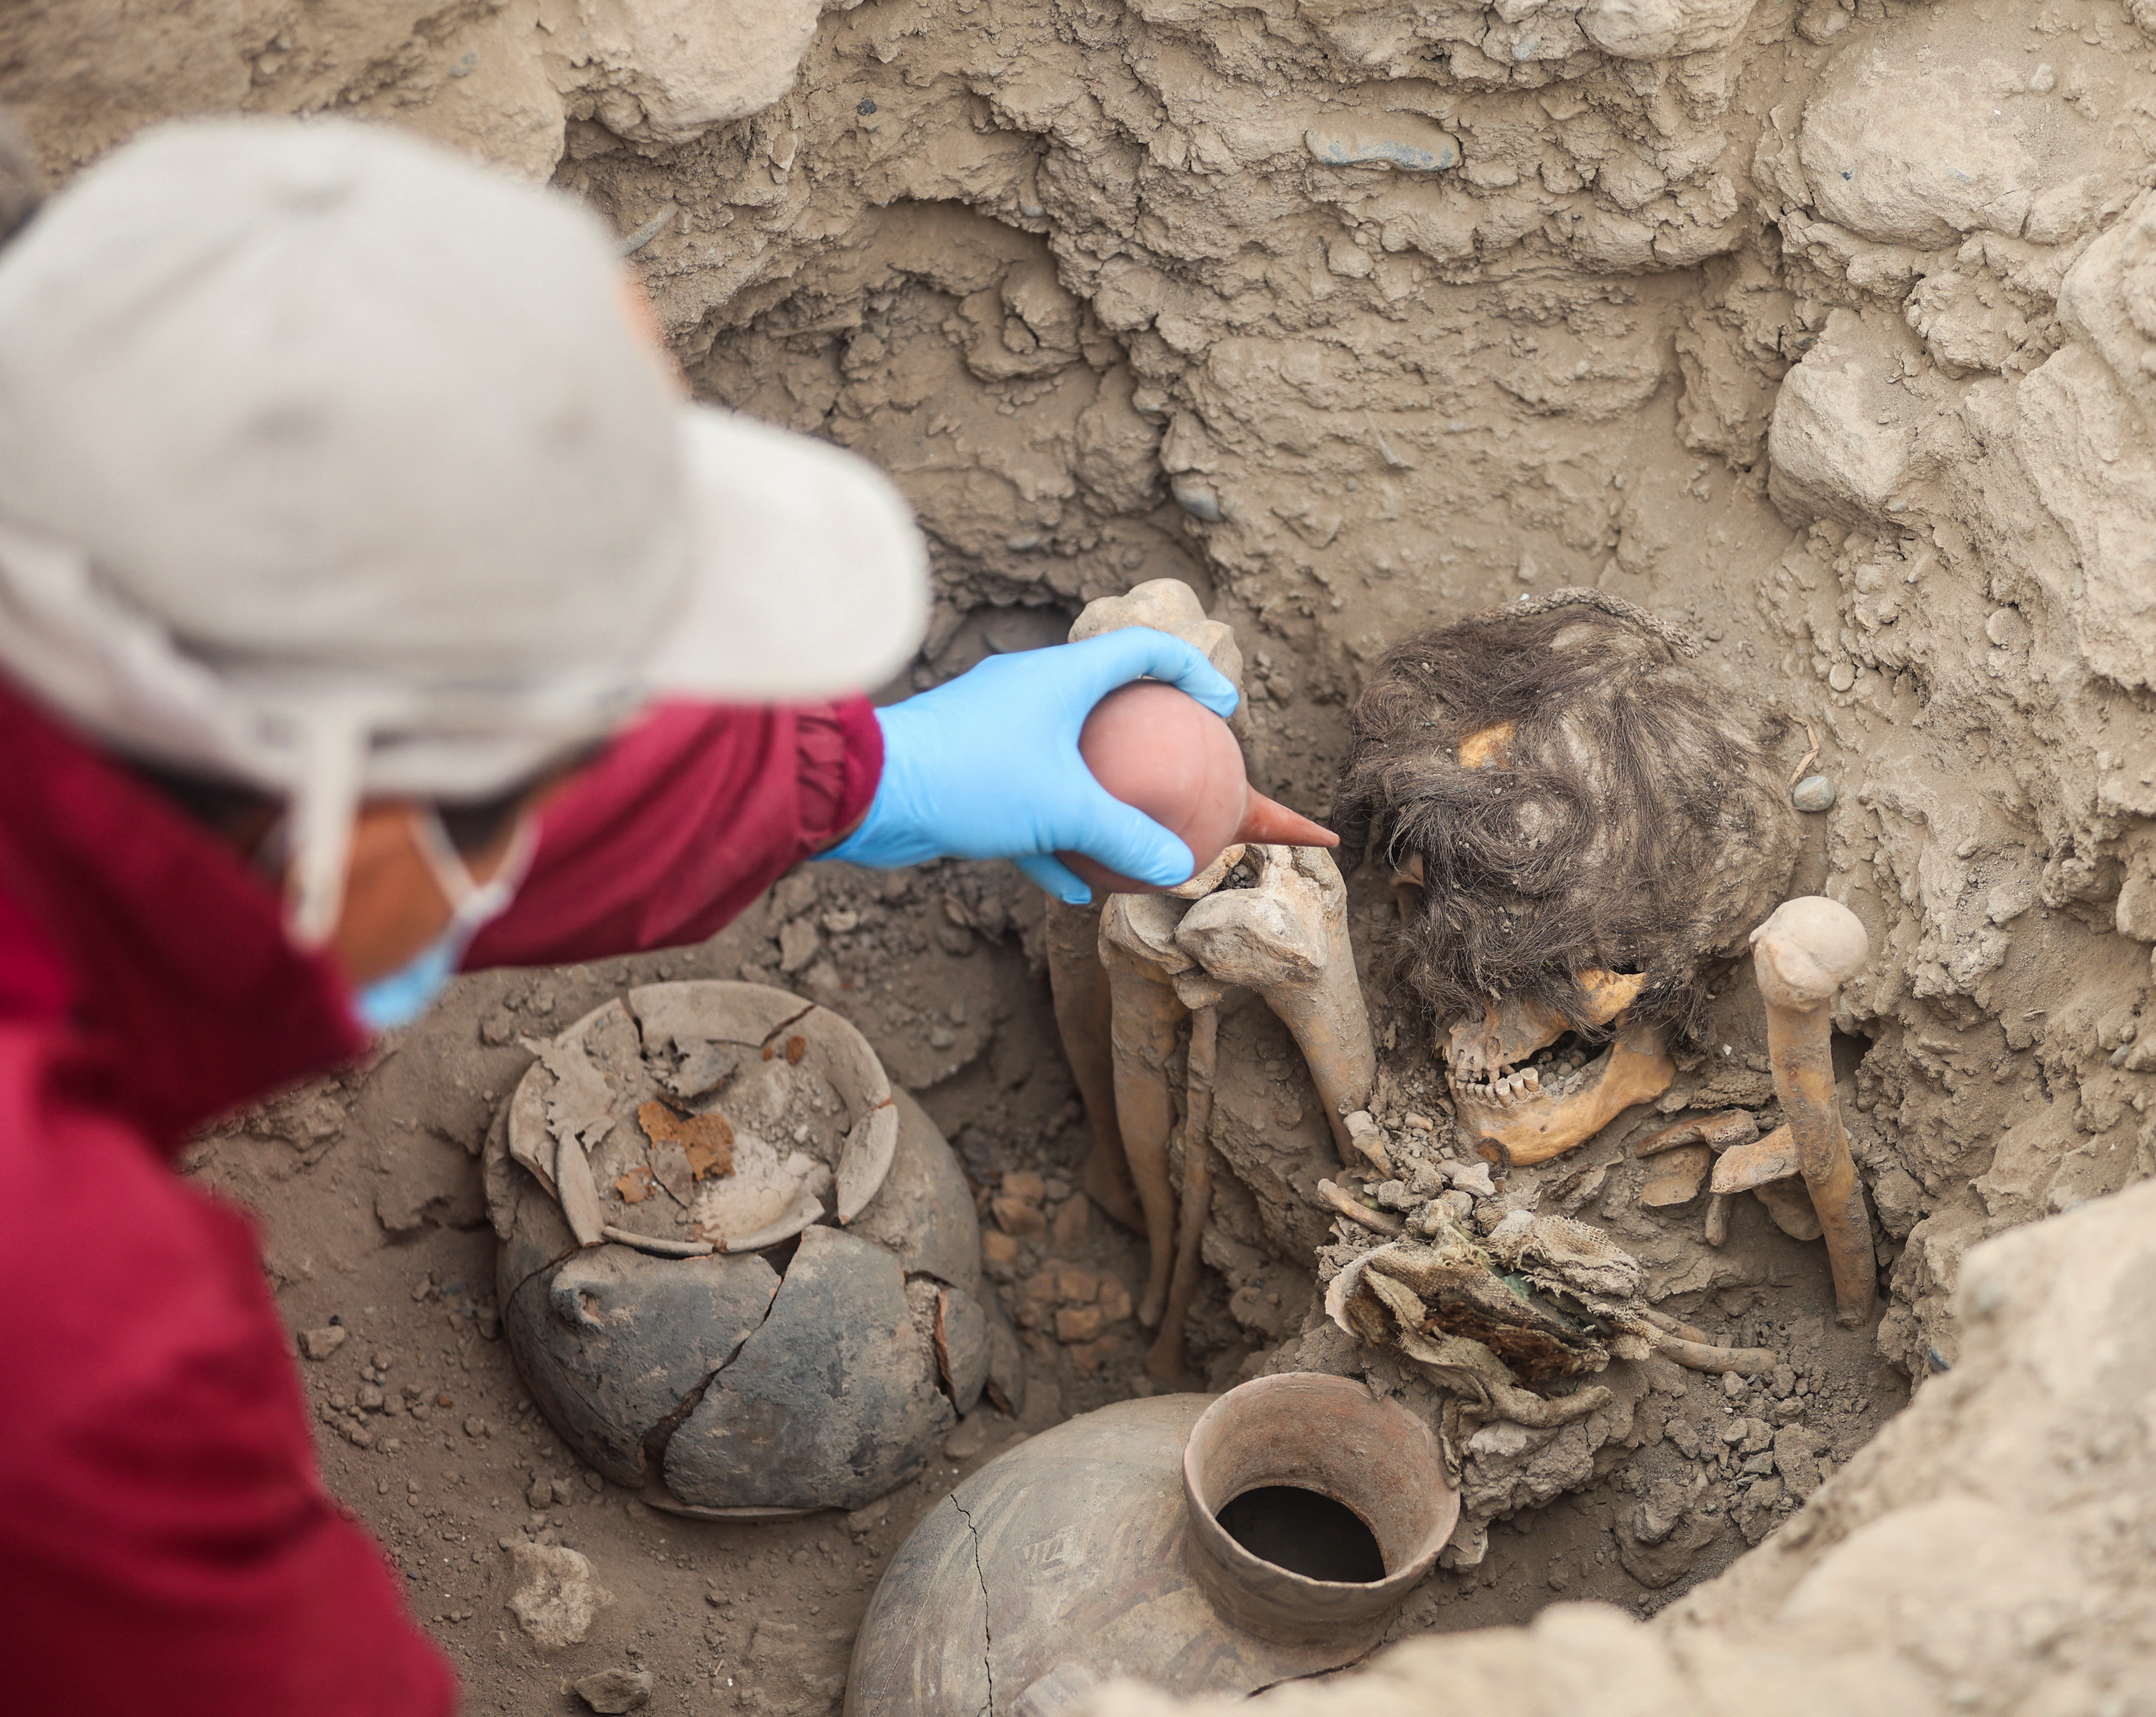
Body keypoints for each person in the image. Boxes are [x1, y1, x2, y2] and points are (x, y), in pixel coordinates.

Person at [0, 119, 1235, 1714]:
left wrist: (864, 774)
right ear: (343, 815)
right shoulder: (65, 1348)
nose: (541, 815)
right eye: (544, 770)